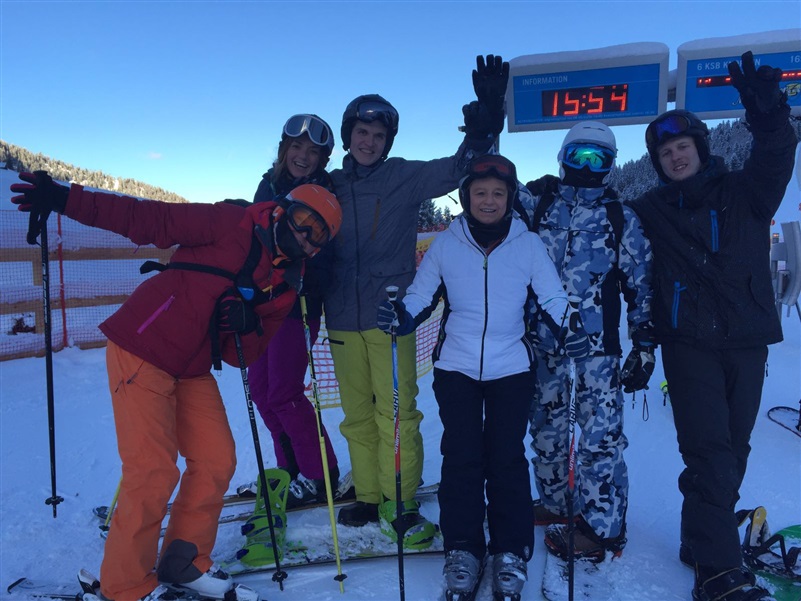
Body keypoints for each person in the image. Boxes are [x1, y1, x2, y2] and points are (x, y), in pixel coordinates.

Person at [10, 172, 342, 601]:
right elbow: (149, 219)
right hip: (143, 346)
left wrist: (243, 325)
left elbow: (242, 355)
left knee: (217, 460)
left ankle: (184, 561)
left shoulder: (285, 288)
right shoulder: (231, 222)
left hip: (192, 367)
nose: (304, 235)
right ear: (282, 210)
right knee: (152, 471)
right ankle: (125, 585)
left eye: (318, 234)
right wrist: (64, 199)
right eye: (303, 220)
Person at [376, 154, 590, 600]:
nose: (488, 201)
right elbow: (420, 295)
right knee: (461, 457)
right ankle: (463, 548)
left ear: (509, 198)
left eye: (497, 193)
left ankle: (510, 550)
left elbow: (552, 297)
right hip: (456, 369)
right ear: (467, 197)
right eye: (480, 193)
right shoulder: (447, 245)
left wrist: (569, 325)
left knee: (506, 458)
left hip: (510, 368)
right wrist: (401, 315)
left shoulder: (527, 245)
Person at [628, 51, 797, 601]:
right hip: (689, 345)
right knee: (709, 454)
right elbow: (603, 214)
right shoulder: (651, 209)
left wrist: (768, 116)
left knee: (735, 448)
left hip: (746, 341)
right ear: (657, 163)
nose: (675, 157)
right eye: (665, 152)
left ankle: (699, 538)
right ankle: (718, 572)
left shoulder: (747, 192)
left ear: (700, 148)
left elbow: (776, 155)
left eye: (682, 147)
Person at [324, 54, 509, 550]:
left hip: (390, 316)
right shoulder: (330, 185)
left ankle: (400, 500)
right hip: (339, 316)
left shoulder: (402, 177)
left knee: (398, 414)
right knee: (356, 414)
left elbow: (458, 169)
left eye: (378, 135)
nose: (369, 142)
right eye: (361, 133)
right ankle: (369, 495)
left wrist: (484, 129)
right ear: (348, 136)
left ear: (388, 142)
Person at [515, 121, 655, 562]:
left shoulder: (620, 217)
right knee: (546, 429)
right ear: (563, 158)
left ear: (610, 165)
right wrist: (483, 136)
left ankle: (602, 526)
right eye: (580, 156)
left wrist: (644, 344)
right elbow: (489, 186)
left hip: (597, 350)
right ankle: (556, 501)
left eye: (599, 158)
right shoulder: (539, 206)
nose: (588, 167)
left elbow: (640, 282)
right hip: (543, 343)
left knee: (600, 437)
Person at [241, 114, 349, 509]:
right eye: (297, 147)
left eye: (313, 152)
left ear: (322, 159)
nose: (303, 156)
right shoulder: (267, 186)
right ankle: (288, 469)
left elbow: (328, 254)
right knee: (261, 391)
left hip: (296, 305)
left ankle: (320, 474)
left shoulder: (323, 194)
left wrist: (305, 278)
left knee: (285, 393)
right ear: (285, 149)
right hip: (260, 304)